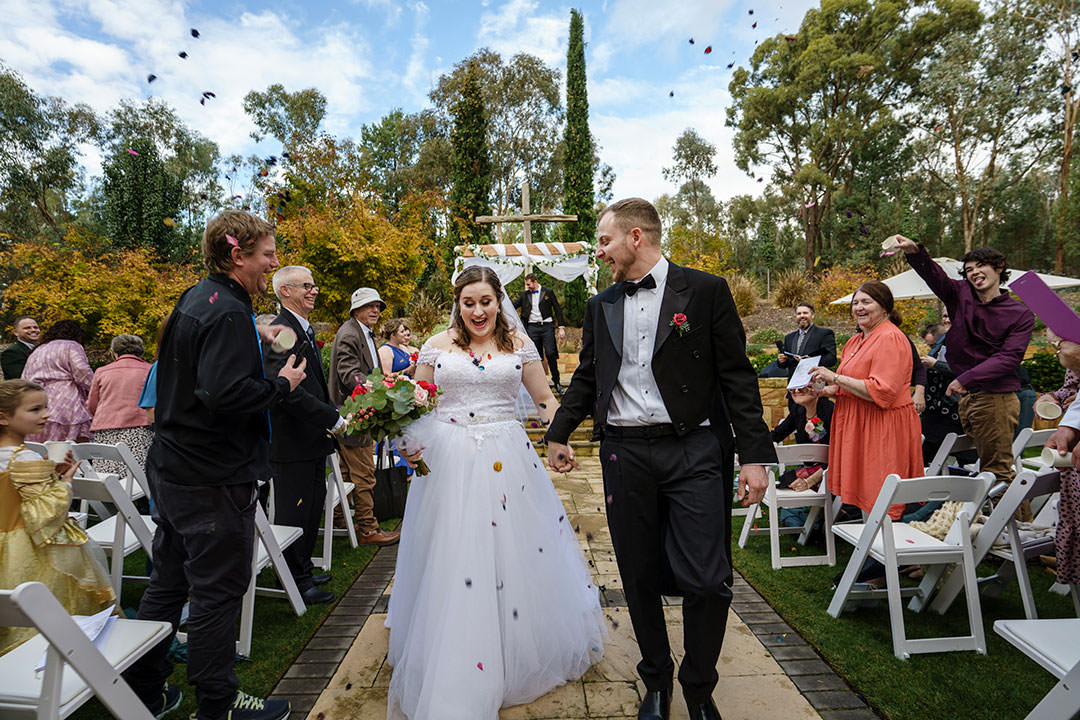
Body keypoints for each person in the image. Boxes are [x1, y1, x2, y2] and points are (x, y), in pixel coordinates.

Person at [546, 198, 775, 720]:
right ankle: (656, 680)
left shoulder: (707, 291)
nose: (599, 251)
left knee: (708, 577)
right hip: (625, 453)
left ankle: (699, 685)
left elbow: (737, 376)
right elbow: (588, 376)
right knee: (639, 571)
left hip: (693, 449)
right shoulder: (601, 304)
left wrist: (753, 456)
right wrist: (560, 431)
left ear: (635, 238)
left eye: (604, 240)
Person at [387, 265, 606, 720]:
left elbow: (546, 401)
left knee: (513, 550)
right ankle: (454, 651)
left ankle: (513, 646)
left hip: (508, 457)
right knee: (453, 551)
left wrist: (560, 438)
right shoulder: (436, 346)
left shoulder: (519, 346)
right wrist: (403, 438)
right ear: (458, 304)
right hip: (448, 460)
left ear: (498, 301)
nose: (477, 311)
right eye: (468, 302)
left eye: (485, 301)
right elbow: (414, 400)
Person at [123, 210, 306, 720]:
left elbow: (209, 362)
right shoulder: (227, 311)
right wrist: (282, 385)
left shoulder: (200, 299)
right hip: (212, 474)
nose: (272, 263)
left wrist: (256, 334)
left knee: (168, 582)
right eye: (267, 254)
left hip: (174, 465)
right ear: (237, 254)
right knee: (218, 590)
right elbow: (225, 393)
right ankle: (218, 702)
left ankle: (144, 688)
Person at [899, 236, 1034, 504]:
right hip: (967, 399)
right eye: (969, 269)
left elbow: (1009, 358)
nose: (973, 273)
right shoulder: (960, 295)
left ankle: (1016, 533)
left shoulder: (1019, 313)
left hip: (996, 398)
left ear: (999, 268)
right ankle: (1005, 530)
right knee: (988, 468)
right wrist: (916, 253)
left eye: (980, 266)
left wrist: (966, 378)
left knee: (997, 473)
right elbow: (934, 276)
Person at [0, 379, 117, 657]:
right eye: (35, 409)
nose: (46, 415)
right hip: (27, 547)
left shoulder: (21, 458)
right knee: (50, 603)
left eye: (45, 407)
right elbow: (43, 511)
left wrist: (50, 472)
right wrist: (64, 483)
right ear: (3, 417)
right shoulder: (24, 458)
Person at [810, 281, 923, 522]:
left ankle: (892, 551)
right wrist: (825, 390)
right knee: (864, 488)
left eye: (866, 302)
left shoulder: (891, 338)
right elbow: (852, 386)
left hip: (882, 425)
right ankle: (874, 544)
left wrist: (834, 376)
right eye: (855, 303)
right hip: (858, 422)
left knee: (880, 489)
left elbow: (882, 391)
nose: (859, 307)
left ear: (884, 307)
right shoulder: (855, 340)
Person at [265, 266, 343, 606]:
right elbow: (289, 391)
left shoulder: (300, 329)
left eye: (314, 285)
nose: (314, 291)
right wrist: (333, 418)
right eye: (306, 286)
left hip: (309, 438)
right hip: (292, 440)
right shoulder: (281, 331)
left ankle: (304, 567)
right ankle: (294, 579)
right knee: (295, 512)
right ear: (285, 291)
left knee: (313, 506)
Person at [328, 287, 400, 545]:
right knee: (364, 473)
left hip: (355, 414)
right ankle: (368, 529)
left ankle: (339, 520)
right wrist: (378, 386)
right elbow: (349, 374)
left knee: (347, 474)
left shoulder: (361, 332)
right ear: (355, 309)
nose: (375, 310)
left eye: (378, 305)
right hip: (352, 416)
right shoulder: (350, 333)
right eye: (369, 305)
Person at [86, 334, 153, 475]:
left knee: (107, 473)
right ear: (140, 351)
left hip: (106, 429)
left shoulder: (102, 371)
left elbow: (92, 405)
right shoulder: (150, 370)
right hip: (140, 428)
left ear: (115, 352)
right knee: (138, 475)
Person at [22, 320, 94, 443]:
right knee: (72, 450)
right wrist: (96, 388)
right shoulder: (72, 346)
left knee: (42, 448)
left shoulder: (38, 350)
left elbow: (24, 378)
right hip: (66, 398)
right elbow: (82, 371)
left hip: (38, 401)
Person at [513, 273, 567, 394]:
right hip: (532, 328)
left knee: (550, 353)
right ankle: (538, 386)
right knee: (534, 357)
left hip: (547, 326)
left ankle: (557, 382)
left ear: (535, 281)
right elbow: (513, 306)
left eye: (529, 284)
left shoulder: (548, 292)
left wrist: (561, 327)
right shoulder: (524, 295)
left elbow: (557, 309)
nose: (527, 287)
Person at [776, 302, 837, 374]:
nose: (802, 316)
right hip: (793, 382)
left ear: (813, 315)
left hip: (815, 381)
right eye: (799, 314)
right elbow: (786, 364)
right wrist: (781, 361)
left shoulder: (824, 334)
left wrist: (810, 361)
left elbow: (832, 359)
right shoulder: (789, 337)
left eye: (805, 313)